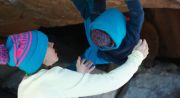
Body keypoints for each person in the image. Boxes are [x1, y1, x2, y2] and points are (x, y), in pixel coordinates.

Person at [18, 39, 149, 98]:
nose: (52, 43)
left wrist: (78, 77)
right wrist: (137, 57)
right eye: (46, 44)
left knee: (88, 56)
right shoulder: (54, 78)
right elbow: (111, 81)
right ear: (38, 55)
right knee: (90, 55)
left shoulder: (25, 84)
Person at [66, 0, 144, 65]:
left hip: (100, 52)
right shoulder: (131, 38)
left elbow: (98, 7)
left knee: (88, 10)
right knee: (89, 58)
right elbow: (137, 12)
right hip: (106, 55)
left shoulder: (95, 24)